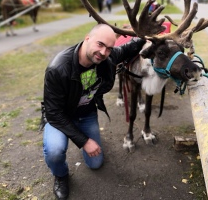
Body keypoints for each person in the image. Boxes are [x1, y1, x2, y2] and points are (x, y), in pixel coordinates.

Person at [42, 23, 146, 199]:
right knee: (54, 151)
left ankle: (86, 139)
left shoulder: (107, 58)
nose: (103, 52)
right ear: (87, 38)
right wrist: (84, 141)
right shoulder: (57, 69)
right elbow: (53, 113)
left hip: (86, 114)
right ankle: (60, 176)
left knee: (96, 163)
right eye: (100, 44)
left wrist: (148, 36)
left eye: (109, 48)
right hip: (60, 117)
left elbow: (129, 47)